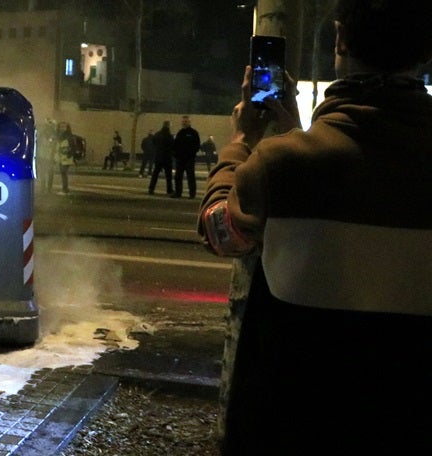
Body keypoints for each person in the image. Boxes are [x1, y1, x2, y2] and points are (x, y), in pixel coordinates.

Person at [198, 1, 432, 453]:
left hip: (295, 420)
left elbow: (220, 233)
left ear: (340, 40)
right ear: (425, 53)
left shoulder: (283, 165)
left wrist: (242, 143)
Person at [171, 115, 200, 198]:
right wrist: (175, 154)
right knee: (178, 176)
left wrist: (192, 154)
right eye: (183, 121)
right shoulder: (179, 133)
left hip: (189, 159)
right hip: (180, 158)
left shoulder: (193, 133)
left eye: (186, 121)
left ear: (189, 122)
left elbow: (197, 145)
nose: (184, 123)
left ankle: (192, 194)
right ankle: (178, 192)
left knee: (190, 176)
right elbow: (175, 145)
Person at [147, 120, 174, 195]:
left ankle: (151, 188)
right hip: (167, 157)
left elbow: (154, 142)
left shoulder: (157, 134)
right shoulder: (169, 135)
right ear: (168, 126)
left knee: (155, 174)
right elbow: (172, 145)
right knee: (168, 175)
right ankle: (169, 189)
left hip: (158, 156)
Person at [54, 121, 79, 195]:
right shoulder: (59, 136)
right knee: (63, 173)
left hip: (66, 158)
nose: (62, 128)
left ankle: (65, 189)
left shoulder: (69, 137)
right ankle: (65, 189)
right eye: (61, 126)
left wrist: (69, 154)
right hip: (61, 157)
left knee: (63, 172)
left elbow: (73, 147)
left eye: (64, 127)